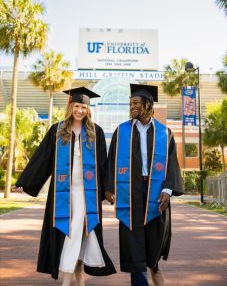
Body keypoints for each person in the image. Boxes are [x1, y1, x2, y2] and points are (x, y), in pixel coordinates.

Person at [14, 87, 116, 286]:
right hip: (64, 194)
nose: (80, 110)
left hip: (88, 195)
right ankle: (77, 279)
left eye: (84, 107)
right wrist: (25, 182)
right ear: (70, 106)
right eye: (77, 106)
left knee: (77, 231)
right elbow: (43, 158)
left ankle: (69, 280)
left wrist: (108, 189)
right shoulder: (58, 129)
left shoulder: (96, 131)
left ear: (88, 109)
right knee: (73, 231)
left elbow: (104, 163)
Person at [105, 84, 183, 286]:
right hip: (130, 188)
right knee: (132, 235)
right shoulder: (121, 131)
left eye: (136, 103)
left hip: (156, 189)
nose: (132, 107)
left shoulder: (165, 133)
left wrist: (168, 189)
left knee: (155, 232)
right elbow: (111, 159)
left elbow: (171, 163)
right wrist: (109, 187)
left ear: (148, 105)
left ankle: (154, 266)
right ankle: (140, 280)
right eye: (131, 103)